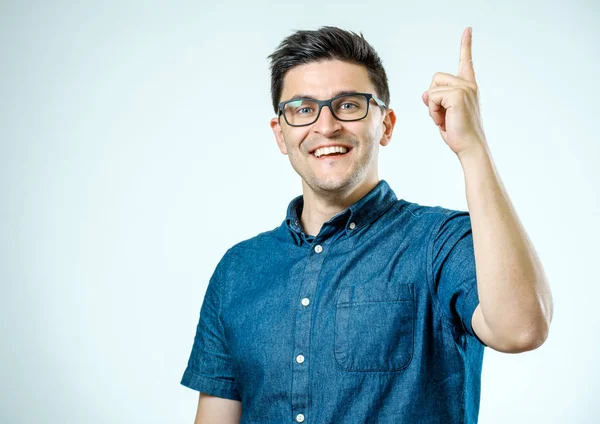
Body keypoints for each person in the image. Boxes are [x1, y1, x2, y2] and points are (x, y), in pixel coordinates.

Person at [180, 26, 553, 423]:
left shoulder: (441, 243)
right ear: (281, 135)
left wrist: (473, 146)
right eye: (304, 109)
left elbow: (521, 329)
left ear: (386, 124)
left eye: (348, 105)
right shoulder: (238, 269)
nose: (326, 126)